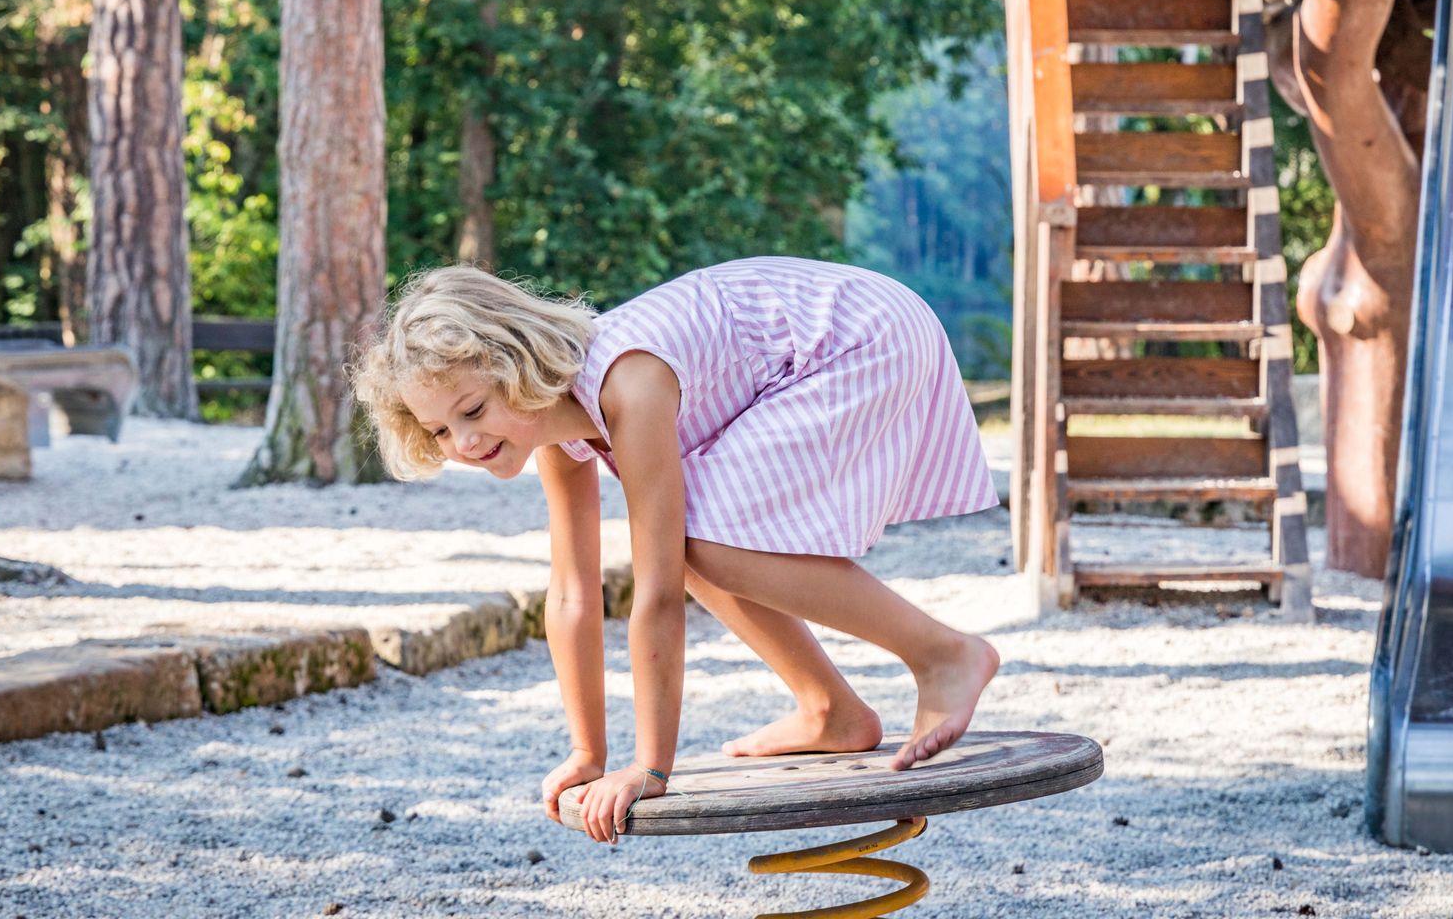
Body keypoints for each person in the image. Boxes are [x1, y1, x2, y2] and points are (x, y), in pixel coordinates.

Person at [351, 256, 1002, 844]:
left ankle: (945, 653)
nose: (462, 441)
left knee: (697, 542)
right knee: (697, 537)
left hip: (861, 335)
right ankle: (828, 709)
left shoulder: (628, 383)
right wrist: (587, 752)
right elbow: (573, 594)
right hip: (829, 345)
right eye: (439, 429)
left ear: (516, 365)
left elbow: (657, 590)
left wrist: (650, 766)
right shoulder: (555, 433)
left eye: (471, 409)